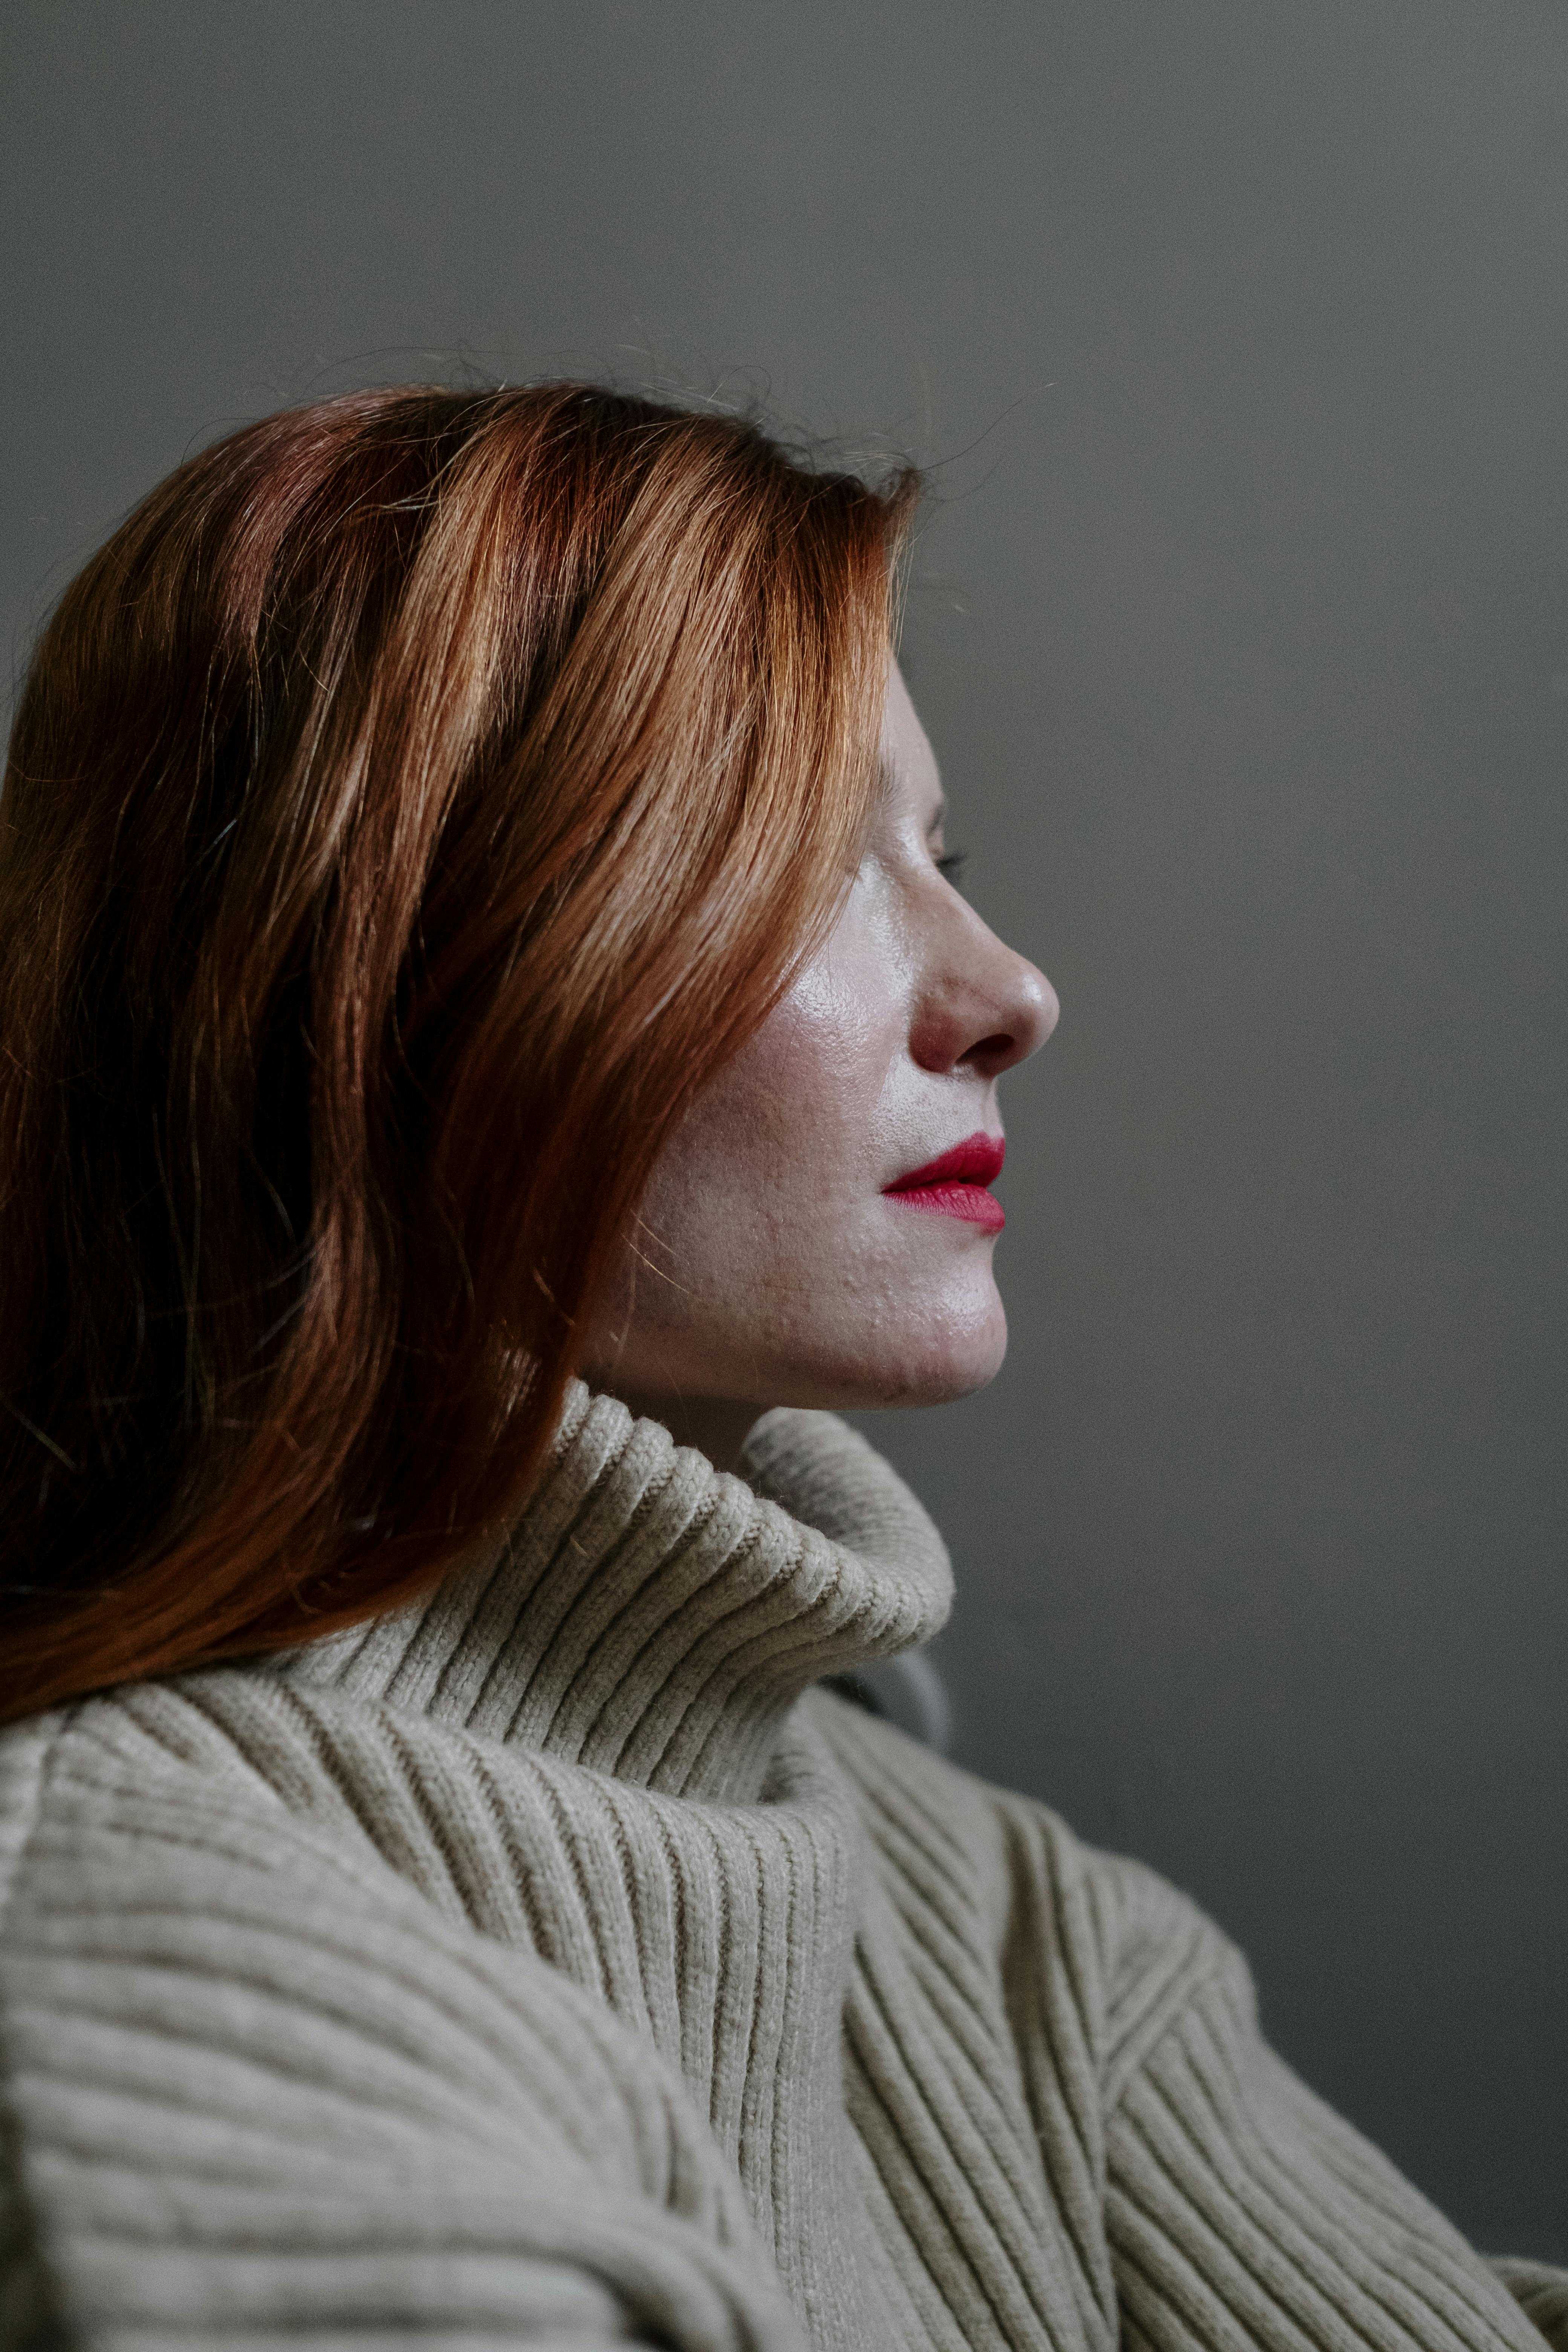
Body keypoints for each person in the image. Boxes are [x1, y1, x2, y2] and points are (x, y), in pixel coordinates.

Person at [0, 383, 1560, 2352]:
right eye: (802, 861)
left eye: (939, 852)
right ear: (373, 991)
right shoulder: (156, 1984)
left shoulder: (1021, 1935)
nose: (1011, 994)